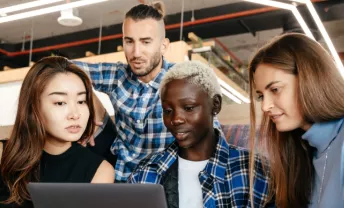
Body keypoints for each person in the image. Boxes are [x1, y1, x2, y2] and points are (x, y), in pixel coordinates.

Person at [73, 2, 220, 182]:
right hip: (122, 178)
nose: (136, 53)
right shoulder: (116, 75)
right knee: (73, 80)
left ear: (164, 45)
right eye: (129, 41)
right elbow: (58, 67)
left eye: (146, 42)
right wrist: (84, 115)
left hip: (166, 180)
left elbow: (212, 136)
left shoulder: (183, 81)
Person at [128, 61, 274, 208]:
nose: (176, 119)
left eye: (189, 108)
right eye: (168, 111)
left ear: (215, 104)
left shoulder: (255, 170)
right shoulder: (146, 171)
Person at [248, 33, 344, 207]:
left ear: (310, 79)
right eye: (261, 96)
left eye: (275, 89)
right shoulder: (300, 151)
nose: (265, 106)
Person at [0, 56, 115, 208]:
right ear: (33, 107)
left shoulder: (100, 171)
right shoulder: (3, 154)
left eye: (81, 101)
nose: (75, 114)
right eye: (60, 103)